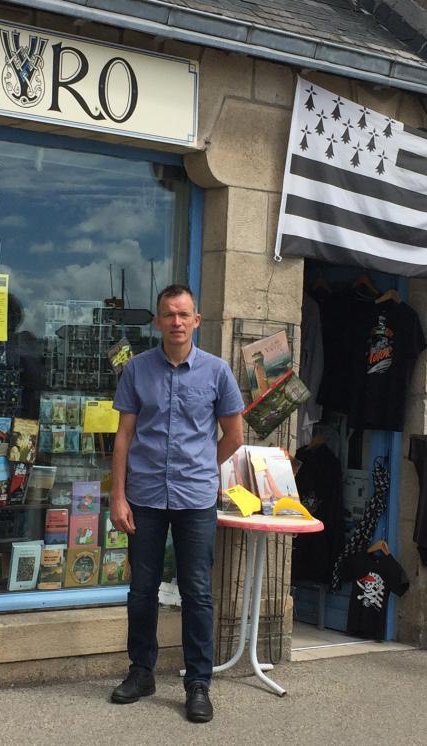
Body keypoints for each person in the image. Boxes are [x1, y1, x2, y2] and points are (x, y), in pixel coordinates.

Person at [108, 284, 244, 723]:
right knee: (142, 591)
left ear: (197, 320)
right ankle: (141, 672)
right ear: (158, 322)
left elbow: (234, 436)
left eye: (184, 314)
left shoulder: (218, 372)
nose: (177, 322)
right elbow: (124, 436)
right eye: (169, 315)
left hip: (195, 499)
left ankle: (198, 684)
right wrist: (117, 494)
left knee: (198, 592)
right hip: (145, 497)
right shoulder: (137, 370)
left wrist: (204, 465)